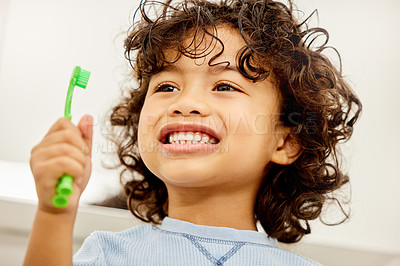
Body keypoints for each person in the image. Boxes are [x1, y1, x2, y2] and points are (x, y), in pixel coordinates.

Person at [24, 0, 362, 265]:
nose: (185, 103)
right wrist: (54, 215)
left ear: (286, 140)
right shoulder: (106, 255)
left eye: (225, 85)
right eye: (167, 86)